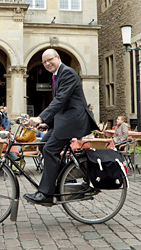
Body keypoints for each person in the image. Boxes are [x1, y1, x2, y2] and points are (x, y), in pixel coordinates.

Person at [24, 49, 98, 205]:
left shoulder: (68, 73)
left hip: (73, 121)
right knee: (44, 146)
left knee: (50, 149)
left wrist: (40, 117)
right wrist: (47, 123)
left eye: (49, 59)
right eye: (44, 62)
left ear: (58, 57)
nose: (47, 64)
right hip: (64, 120)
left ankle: (46, 194)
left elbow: (60, 100)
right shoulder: (57, 75)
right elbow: (61, 103)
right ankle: (65, 176)